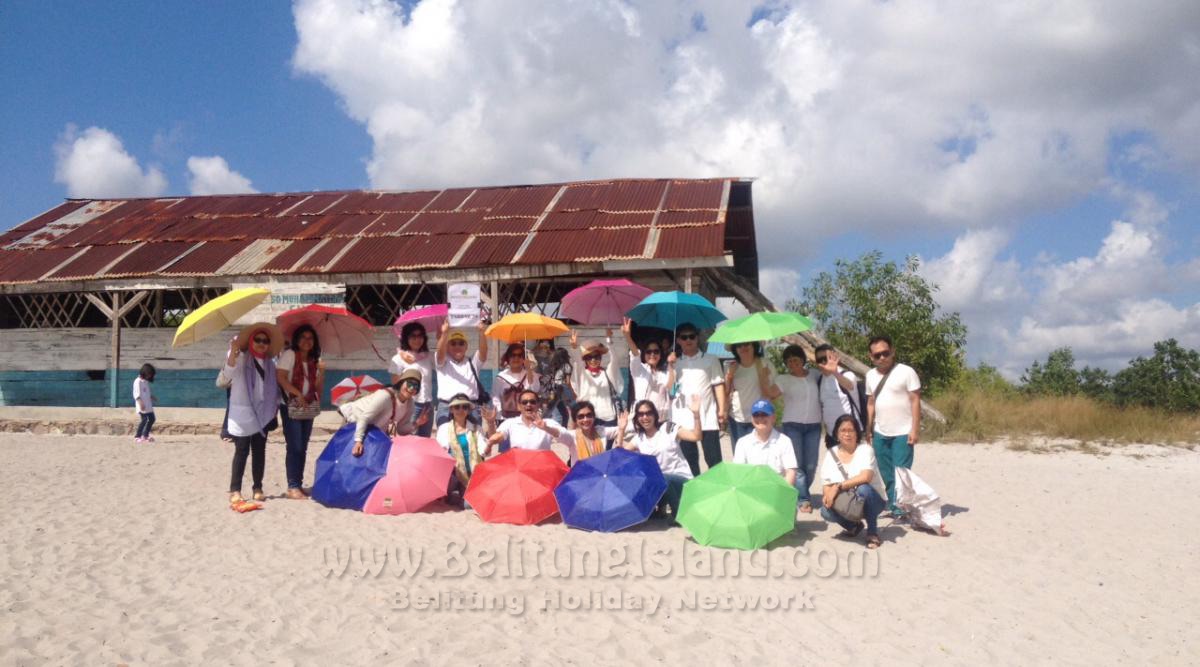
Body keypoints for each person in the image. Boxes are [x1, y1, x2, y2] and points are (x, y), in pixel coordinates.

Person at [221, 323, 284, 504]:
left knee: (259, 451)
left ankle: (258, 487)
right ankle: (235, 490)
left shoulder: (271, 364)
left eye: (265, 341)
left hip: (262, 414)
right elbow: (229, 372)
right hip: (243, 413)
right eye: (257, 340)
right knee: (241, 451)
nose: (261, 343)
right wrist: (233, 351)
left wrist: (274, 409)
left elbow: (273, 389)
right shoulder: (241, 358)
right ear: (250, 341)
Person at [864, 335, 922, 517]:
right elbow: (871, 402)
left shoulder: (906, 372)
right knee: (886, 472)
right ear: (870, 357)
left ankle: (900, 507)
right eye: (877, 355)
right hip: (880, 431)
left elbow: (915, 400)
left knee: (901, 472)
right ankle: (893, 503)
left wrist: (915, 429)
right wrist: (868, 428)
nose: (882, 358)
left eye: (885, 353)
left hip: (903, 431)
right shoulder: (870, 375)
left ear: (892, 352)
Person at [618, 396, 702, 518]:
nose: (645, 417)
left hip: (681, 481)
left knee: (663, 478)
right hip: (660, 485)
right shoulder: (639, 438)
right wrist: (621, 430)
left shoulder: (668, 428)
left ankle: (677, 514)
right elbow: (619, 455)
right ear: (637, 418)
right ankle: (660, 507)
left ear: (655, 415)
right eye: (641, 414)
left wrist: (696, 415)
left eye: (648, 413)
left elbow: (696, 437)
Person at [764, 345, 822, 512]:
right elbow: (770, 393)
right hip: (792, 425)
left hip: (814, 425)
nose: (792, 363)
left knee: (810, 465)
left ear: (803, 360)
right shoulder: (783, 379)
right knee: (796, 464)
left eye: (796, 359)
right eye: (789, 361)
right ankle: (803, 499)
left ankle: (801, 492)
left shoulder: (814, 375)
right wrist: (763, 377)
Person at [820, 414, 888, 549]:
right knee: (825, 510)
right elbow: (826, 485)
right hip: (849, 502)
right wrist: (828, 496)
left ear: (857, 433)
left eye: (851, 430)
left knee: (864, 488)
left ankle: (872, 532)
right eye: (843, 430)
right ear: (837, 434)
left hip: (873, 500)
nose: (847, 434)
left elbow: (866, 477)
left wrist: (838, 487)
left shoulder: (865, 450)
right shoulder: (831, 454)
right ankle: (854, 526)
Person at [276, 324, 325, 500]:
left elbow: (318, 388)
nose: (307, 341)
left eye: (310, 338)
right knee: (295, 446)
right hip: (291, 405)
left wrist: (321, 372)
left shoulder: (314, 359)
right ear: (297, 339)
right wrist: (297, 394)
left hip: (308, 406)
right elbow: (280, 377)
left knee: (303, 447)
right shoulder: (289, 354)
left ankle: (298, 483)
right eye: (303, 337)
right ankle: (293, 486)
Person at [671, 323, 726, 476]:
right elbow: (668, 389)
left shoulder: (710, 359)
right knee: (690, 461)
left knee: (714, 460)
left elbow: (718, 385)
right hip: (684, 419)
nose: (688, 340)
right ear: (678, 341)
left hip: (707, 417)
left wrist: (722, 409)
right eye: (684, 337)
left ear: (697, 338)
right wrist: (670, 366)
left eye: (692, 336)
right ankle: (695, 495)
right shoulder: (674, 362)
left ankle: (719, 493)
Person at [338, 368, 428, 457]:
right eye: (409, 384)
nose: (411, 388)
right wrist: (358, 441)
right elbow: (364, 418)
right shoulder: (385, 396)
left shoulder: (410, 404)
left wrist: (417, 423)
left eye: (416, 386)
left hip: (372, 431)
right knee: (345, 457)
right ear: (401, 382)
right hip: (354, 421)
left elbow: (400, 428)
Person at [436, 393, 495, 508]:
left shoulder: (475, 428)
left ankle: (458, 496)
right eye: (457, 407)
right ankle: (451, 494)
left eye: (464, 407)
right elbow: (440, 452)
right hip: (451, 474)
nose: (460, 410)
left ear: (468, 410)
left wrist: (490, 424)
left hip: (471, 474)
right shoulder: (444, 429)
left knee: (468, 506)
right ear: (451, 410)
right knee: (447, 485)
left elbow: (484, 451)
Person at [434, 320, 489, 427]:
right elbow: (440, 353)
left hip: (470, 407)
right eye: (453, 343)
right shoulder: (442, 362)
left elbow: (483, 353)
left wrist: (482, 333)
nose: (457, 346)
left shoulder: (472, 362)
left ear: (466, 346)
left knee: (474, 441)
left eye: (461, 343)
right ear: (448, 346)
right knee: (446, 441)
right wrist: (445, 333)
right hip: (447, 407)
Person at [732, 399, 798, 488]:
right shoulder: (742, 442)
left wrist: (783, 493)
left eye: (764, 415)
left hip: (777, 490)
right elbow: (738, 472)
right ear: (751, 419)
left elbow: (791, 472)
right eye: (756, 415)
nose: (760, 418)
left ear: (773, 418)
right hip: (751, 489)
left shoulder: (784, 441)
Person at [723, 340, 774, 449]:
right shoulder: (733, 367)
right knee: (740, 458)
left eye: (747, 344)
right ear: (735, 349)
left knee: (759, 455)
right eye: (739, 345)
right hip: (737, 417)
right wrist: (729, 377)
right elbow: (726, 392)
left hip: (760, 417)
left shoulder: (765, 364)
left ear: (754, 346)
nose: (743, 347)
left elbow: (775, 390)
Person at [568, 330, 624, 428]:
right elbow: (577, 361)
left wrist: (609, 340)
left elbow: (614, 360)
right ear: (585, 359)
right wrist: (574, 347)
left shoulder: (607, 373)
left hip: (608, 418)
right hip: (588, 418)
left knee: (609, 444)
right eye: (589, 357)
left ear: (601, 358)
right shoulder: (581, 373)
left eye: (596, 357)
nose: (593, 360)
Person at [621, 317, 674, 417]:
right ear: (644, 354)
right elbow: (635, 354)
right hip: (643, 416)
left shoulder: (664, 371)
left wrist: (671, 365)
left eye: (656, 351)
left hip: (661, 417)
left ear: (660, 353)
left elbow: (669, 386)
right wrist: (628, 337)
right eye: (648, 352)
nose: (652, 354)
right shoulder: (639, 369)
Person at [486, 389, 567, 454]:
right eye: (524, 402)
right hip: (520, 469)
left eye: (532, 402)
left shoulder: (548, 423)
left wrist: (546, 428)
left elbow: (563, 435)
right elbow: (497, 437)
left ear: (538, 404)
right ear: (519, 406)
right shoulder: (510, 423)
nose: (528, 405)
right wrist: (490, 423)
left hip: (541, 469)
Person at [390, 321, 435, 437]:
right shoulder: (398, 359)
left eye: (420, 336)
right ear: (406, 338)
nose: (417, 339)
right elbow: (396, 385)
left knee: (425, 440)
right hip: (411, 405)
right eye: (413, 336)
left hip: (428, 404)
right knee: (410, 439)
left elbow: (442, 360)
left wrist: (443, 334)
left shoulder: (428, 356)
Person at [814, 344, 864, 443]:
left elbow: (849, 385)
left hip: (850, 433)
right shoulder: (820, 379)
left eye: (826, 358)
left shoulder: (846, 375)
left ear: (835, 356)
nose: (823, 362)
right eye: (819, 360)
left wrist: (835, 372)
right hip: (831, 434)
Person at [558, 401, 629, 466]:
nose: (585, 419)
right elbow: (559, 433)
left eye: (589, 415)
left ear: (594, 417)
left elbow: (620, 430)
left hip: (599, 474)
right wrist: (547, 427)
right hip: (580, 476)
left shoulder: (600, 431)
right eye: (581, 417)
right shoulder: (572, 436)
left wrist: (622, 428)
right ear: (575, 420)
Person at [491, 343, 541, 420]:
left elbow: (535, 390)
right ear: (508, 358)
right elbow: (495, 397)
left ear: (523, 358)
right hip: (505, 418)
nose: (516, 358)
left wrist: (529, 370)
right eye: (513, 355)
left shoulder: (531, 374)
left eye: (519, 355)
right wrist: (500, 415)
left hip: (527, 418)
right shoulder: (501, 377)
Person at [541, 347, 574, 426]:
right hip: (560, 389)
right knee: (561, 414)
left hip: (551, 390)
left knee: (561, 412)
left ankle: (561, 430)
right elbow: (568, 382)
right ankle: (557, 432)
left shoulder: (552, 366)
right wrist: (572, 392)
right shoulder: (566, 366)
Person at [133, 363, 157, 443]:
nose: (150, 376)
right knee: (144, 420)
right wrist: (140, 403)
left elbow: (146, 392)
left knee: (152, 419)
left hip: (148, 405)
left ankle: (145, 435)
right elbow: (136, 394)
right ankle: (137, 436)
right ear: (145, 372)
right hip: (142, 405)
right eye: (149, 374)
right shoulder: (137, 381)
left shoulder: (145, 382)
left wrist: (151, 396)